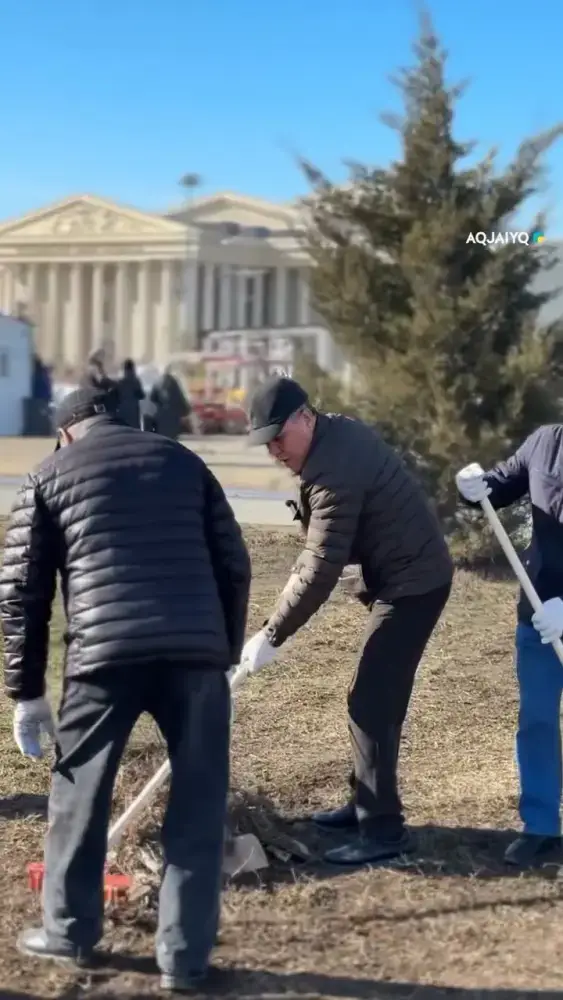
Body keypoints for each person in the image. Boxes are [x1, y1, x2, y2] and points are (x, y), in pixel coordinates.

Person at [0, 385, 251, 991]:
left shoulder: (48, 475)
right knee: (197, 805)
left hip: (102, 658)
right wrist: (220, 653)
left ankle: (68, 931)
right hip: (194, 659)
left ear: (65, 432)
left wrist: (26, 693)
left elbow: (20, 594)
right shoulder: (185, 462)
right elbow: (234, 564)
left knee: (78, 796)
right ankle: (184, 960)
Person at [239, 375, 453, 865]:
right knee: (370, 696)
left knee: (372, 700)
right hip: (402, 576)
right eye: (265, 442)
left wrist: (273, 633)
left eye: (278, 437)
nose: (273, 450)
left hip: (414, 583)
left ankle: (382, 830)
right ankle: (364, 803)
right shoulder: (333, 439)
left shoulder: (335, 467)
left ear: (305, 418)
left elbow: (320, 566)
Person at [456, 427, 563, 868]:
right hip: (538, 612)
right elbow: (499, 485)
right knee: (537, 720)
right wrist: (472, 487)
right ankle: (540, 825)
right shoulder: (546, 443)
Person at [149, 366, 192, 440]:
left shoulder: (157, 382)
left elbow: (152, 398)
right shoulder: (174, 382)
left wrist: (159, 405)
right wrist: (185, 409)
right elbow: (179, 397)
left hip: (161, 414)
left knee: (162, 435)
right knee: (173, 437)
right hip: (173, 415)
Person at [116, 358, 145, 428]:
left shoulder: (120, 382)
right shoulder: (136, 381)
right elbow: (141, 395)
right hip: (133, 411)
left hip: (123, 412)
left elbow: (116, 397)